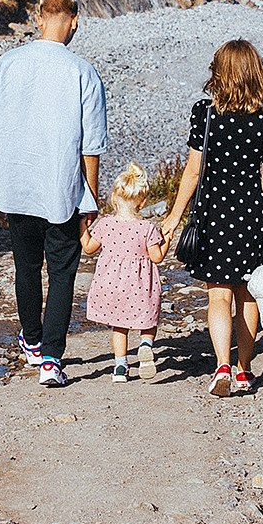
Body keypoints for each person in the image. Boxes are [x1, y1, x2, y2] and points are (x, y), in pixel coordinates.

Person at [0, 0, 106, 387]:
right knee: (63, 272)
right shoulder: (82, 72)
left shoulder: (5, 65)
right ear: (74, 22)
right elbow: (91, 148)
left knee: (26, 266)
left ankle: (31, 341)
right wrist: (92, 200)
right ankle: (52, 359)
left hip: (18, 186)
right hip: (62, 189)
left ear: (38, 18)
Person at [159, 39, 263, 397]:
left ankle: (221, 366)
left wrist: (173, 217)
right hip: (252, 219)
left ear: (219, 74)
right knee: (247, 296)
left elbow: (192, 172)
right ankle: (245, 370)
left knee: (218, 295)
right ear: (256, 74)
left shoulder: (204, 114)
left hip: (214, 216)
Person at [81, 163, 167, 383]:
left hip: (112, 286)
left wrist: (81, 228)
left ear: (114, 197)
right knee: (148, 321)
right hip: (140, 287)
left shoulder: (106, 224)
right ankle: (146, 345)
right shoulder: (147, 228)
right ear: (142, 202)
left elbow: (89, 248)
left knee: (120, 325)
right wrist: (167, 240)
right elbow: (156, 257)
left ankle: (120, 368)